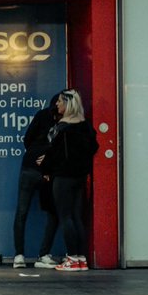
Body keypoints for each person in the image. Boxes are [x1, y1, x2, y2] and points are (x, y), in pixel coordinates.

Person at [39, 89, 98, 272]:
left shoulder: (62, 127)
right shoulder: (85, 126)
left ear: (68, 104)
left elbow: (53, 152)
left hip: (63, 177)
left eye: (60, 102)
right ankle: (81, 259)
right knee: (76, 216)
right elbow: (93, 147)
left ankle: (72, 258)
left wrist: (45, 163)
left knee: (65, 217)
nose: (57, 104)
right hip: (80, 177)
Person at [12, 91, 62, 269]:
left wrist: (36, 153)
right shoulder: (64, 123)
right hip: (46, 171)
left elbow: (28, 139)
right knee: (52, 211)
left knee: (22, 211)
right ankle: (44, 254)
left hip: (30, 167)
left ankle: (19, 255)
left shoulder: (42, 115)